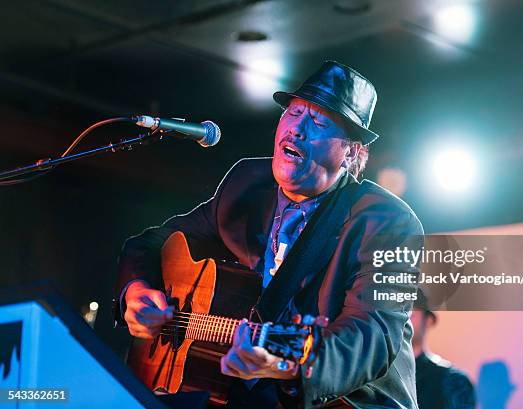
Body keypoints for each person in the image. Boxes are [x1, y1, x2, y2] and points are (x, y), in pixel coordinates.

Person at [113, 61, 424, 408]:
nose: (297, 130)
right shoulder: (248, 183)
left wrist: (286, 365)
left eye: (319, 121)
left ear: (350, 151)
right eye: (293, 113)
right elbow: (151, 242)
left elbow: (371, 335)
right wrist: (137, 291)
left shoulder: (387, 222)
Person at [411, 289, 476, 409]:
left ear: (428, 320)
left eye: (411, 314)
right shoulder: (375, 375)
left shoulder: (453, 381)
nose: (402, 322)